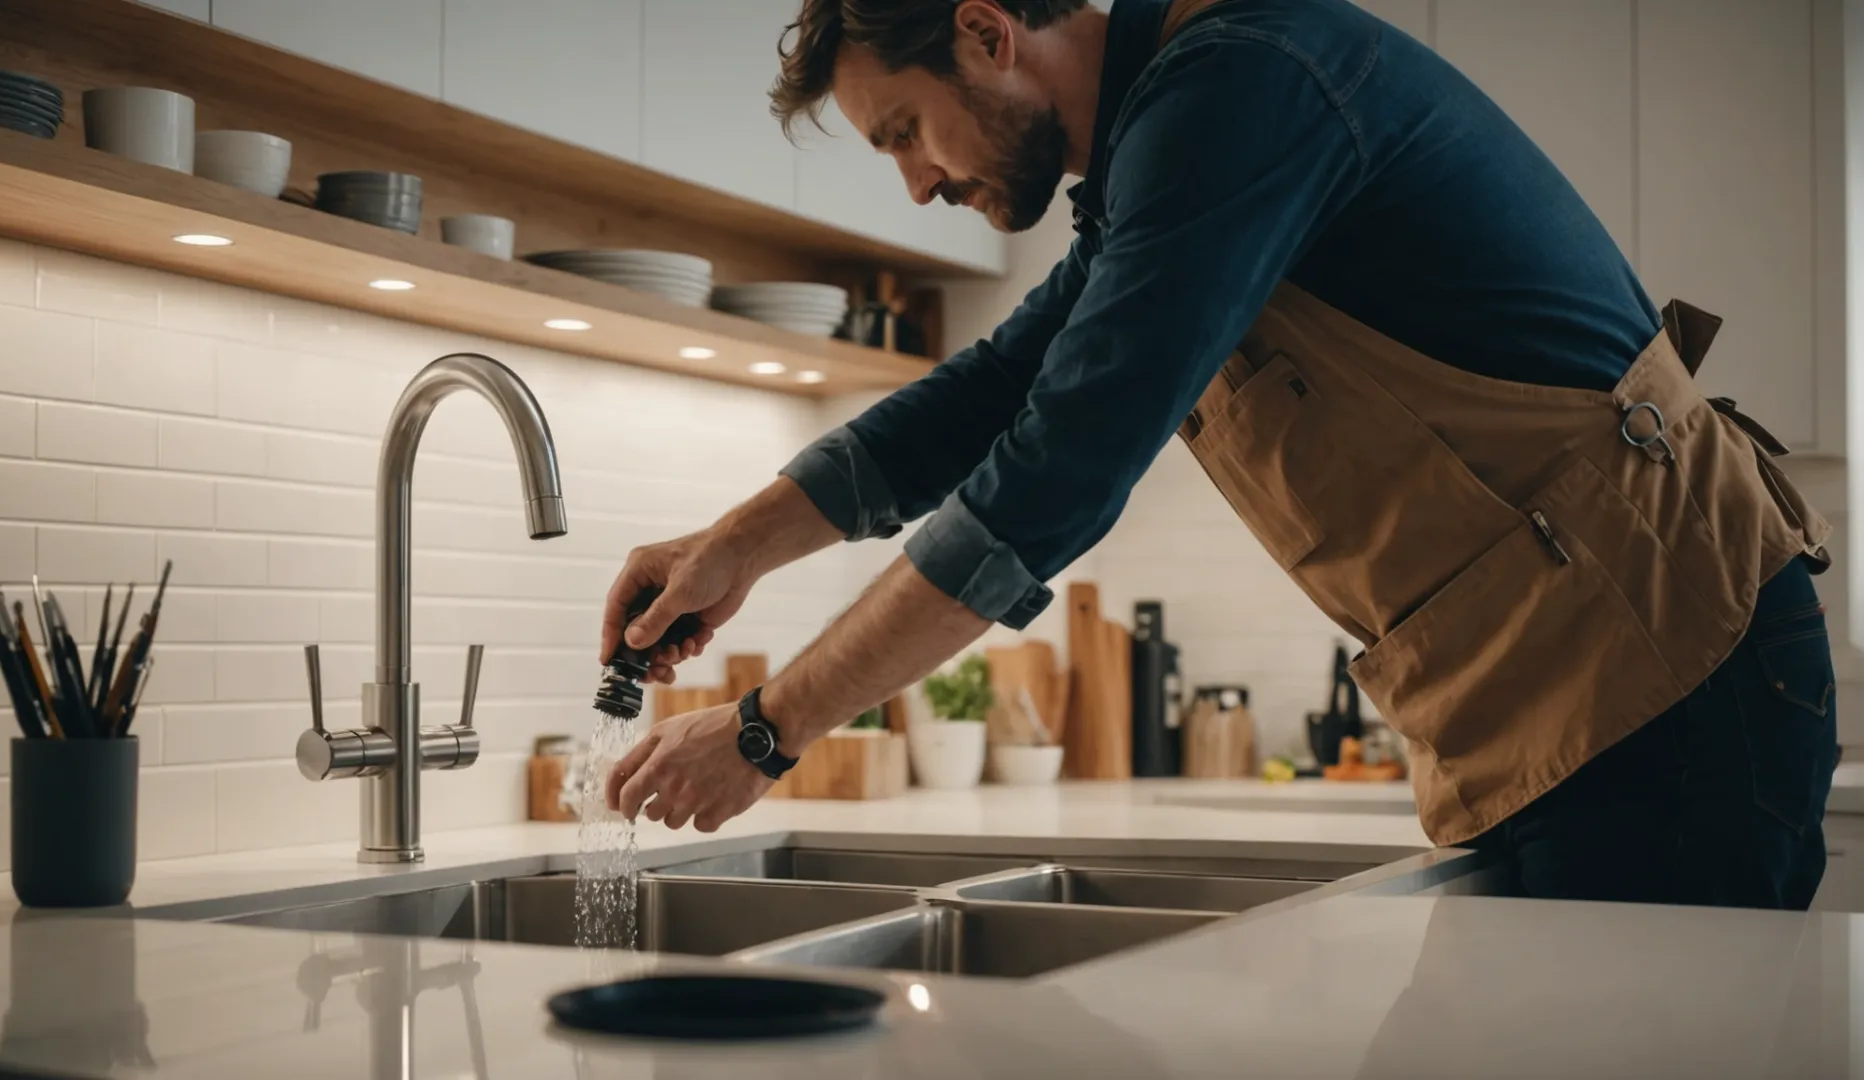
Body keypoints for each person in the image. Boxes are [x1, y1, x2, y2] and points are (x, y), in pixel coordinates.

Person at [602, 0, 1838, 909]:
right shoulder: (1166, 145)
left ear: (986, 33)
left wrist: (770, 728)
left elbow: (1058, 470)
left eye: (903, 134)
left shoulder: (1240, 90)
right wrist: (729, 550)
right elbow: (989, 392)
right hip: (1567, 697)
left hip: (1674, 682)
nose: (919, 184)